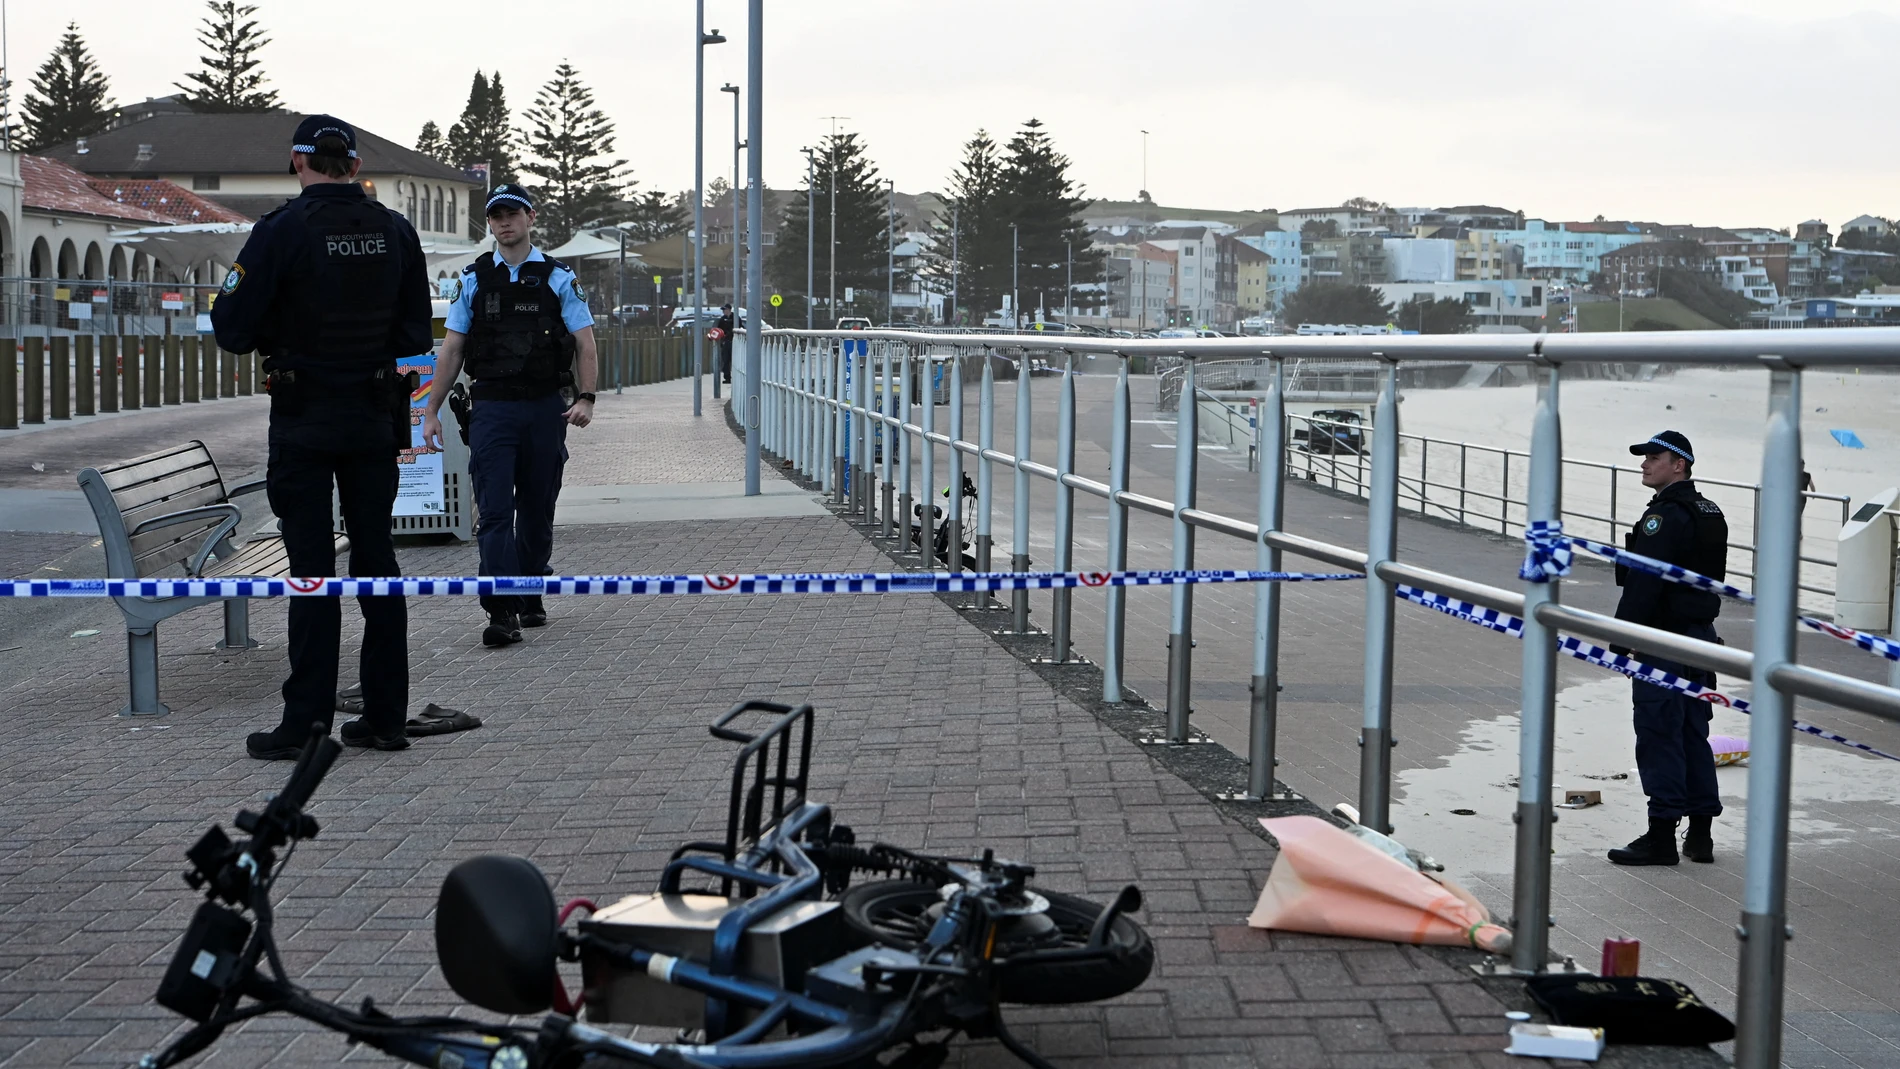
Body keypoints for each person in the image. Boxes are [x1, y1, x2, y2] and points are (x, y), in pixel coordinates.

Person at [211, 114, 429, 759]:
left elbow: (231, 326)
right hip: (371, 415)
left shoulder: (281, 231)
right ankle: (387, 717)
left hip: (305, 418)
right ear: (356, 167)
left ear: (297, 163)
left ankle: (305, 727)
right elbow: (415, 336)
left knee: (310, 572)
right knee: (376, 563)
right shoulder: (396, 231)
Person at [422, 184, 596, 648]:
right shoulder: (474, 280)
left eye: (512, 214)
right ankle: (502, 608)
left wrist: (586, 398)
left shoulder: (559, 278)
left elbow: (585, 343)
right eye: (496, 216)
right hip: (492, 410)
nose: (504, 222)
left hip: (544, 409)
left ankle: (531, 585)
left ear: (530, 217)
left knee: (537, 512)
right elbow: (453, 347)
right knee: (495, 513)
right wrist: (431, 410)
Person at [1607, 430, 1729, 866]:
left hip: (1664, 638)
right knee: (1694, 733)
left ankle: (1661, 835)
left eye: (1653, 458)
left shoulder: (1664, 516)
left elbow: (1644, 581)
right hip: (1700, 639)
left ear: (1679, 464)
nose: (1644, 464)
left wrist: (1622, 640)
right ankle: (1700, 835)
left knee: (1660, 731)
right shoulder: (1708, 511)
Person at [715, 303, 735, 383]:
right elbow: (719, 329)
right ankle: (727, 377)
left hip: (733, 341)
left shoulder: (735, 318)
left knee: (734, 360)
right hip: (725, 342)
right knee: (725, 360)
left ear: (729, 310)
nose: (724, 311)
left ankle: (736, 376)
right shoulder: (722, 319)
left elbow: (739, 327)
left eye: (725, 310)